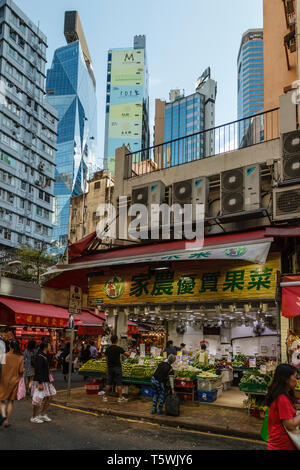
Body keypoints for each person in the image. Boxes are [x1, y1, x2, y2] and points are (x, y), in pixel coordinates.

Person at [266, 363, 300, 450]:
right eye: (295, 377)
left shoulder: (281, 395)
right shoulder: (282, 398)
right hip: (282, 445)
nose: (297, 380)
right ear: (286, 379)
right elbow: (290, 424)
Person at [0, 339, 24, 427]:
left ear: (9, 346)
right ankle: (6, 421)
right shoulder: (20, 358)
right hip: (14, 382)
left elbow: (1, 369)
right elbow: (21, 371)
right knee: (10, 401)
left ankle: (2, 414)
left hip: (3, 381)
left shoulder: (3, 356)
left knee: (1, 401)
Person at [31, 341, 56, 424]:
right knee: (37, 399)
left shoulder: (45, 356)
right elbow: (38, 370)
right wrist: (40, 383)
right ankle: (34, 417)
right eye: (49, 345)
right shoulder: (39, 357)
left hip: (46, 380)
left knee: (50, 396)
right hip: (40, 381)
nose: (50, 346)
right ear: (45, 347)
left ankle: (42, 414)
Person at [103, 335, 129, 403]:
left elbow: (106, 357)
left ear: (111, 340)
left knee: (108, 383)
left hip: (110, 367)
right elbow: (127, 354)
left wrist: (107, 365)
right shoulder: (118, 348)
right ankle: (120, 398)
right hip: (117, 367)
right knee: (119, 383)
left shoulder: (108, 349)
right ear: (117, 340)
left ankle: (105, 397)